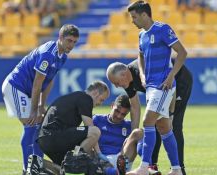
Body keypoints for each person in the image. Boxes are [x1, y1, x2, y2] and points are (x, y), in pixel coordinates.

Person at [1, 24, 79, 174]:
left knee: (39, 127)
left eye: (74, 42)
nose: (72, 45)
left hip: (27, 91)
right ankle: (28, 170)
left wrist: (42, 105)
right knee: (31, 125)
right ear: (60, 38)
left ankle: (36, 167)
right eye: (69, 41)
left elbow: (49, 80)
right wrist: (34, 110)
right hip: (15, 87)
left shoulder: (62, 56)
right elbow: (37, 83)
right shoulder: (48, 54)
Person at [122, 1, 187, 174]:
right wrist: (142, 74)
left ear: (144, 15)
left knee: (147, 122)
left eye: (134, 17)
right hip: (151, 87)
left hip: (162, 86)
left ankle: (144, 167)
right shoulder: (141, 35)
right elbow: (140, 55)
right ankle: (176, 169)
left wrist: (171, 76)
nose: (132, 21)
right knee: (164, 128)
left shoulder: (162, 29)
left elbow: (182, 52)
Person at [37, 81, 110, 172]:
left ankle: (39, 164)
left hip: (44, 139)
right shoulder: (86, 98)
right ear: (95, 93)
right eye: (101, 100)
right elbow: (90, 127)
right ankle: (74, 159)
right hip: (55, 136)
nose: (101, 103)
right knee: (95, 131)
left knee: (62, 169)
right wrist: (99, 153)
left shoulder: (73, 97)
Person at [93, 94, 160, 175]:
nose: (118, 116)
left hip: (121, 161)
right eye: (117, 111)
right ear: (112, 105)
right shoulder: (97, 119)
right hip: (100, 160)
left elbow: (136, 109)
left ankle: (148, 166)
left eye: (123, 114)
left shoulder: (128, 125)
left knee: (138, 132)